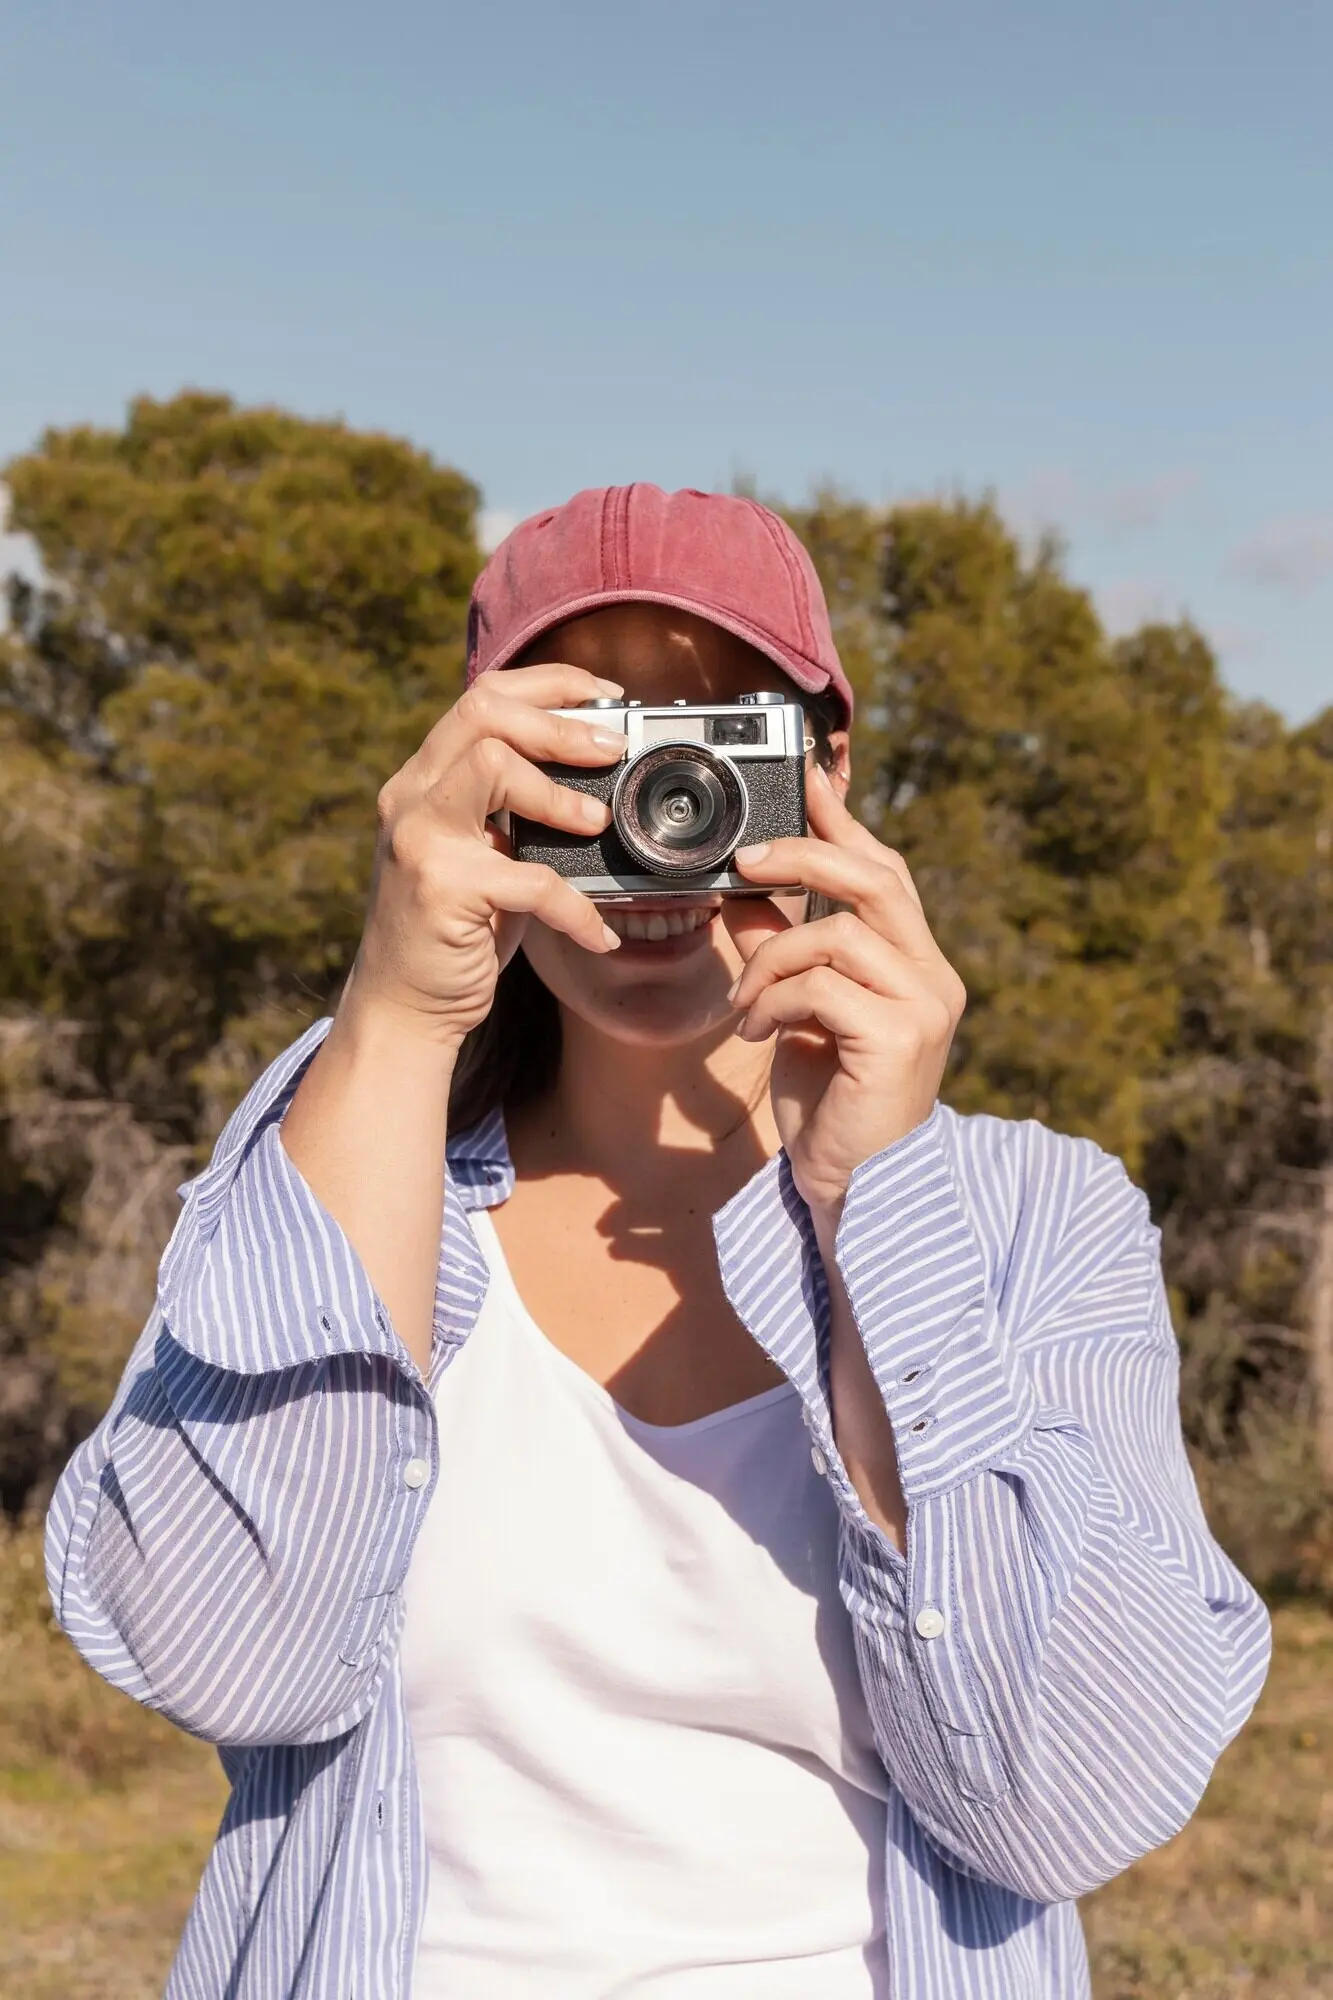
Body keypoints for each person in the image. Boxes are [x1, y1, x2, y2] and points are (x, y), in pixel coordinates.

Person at [47, 484, 1270, 2000]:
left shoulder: (1040, 1220)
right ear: (476, 785)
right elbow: (229, 1660)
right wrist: (398, 1014)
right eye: (586, 743)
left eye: (707, 739)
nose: (656, 804)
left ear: (827, 771)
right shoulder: (349, 1150)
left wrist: (879, 1212)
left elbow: (1072, 1803)